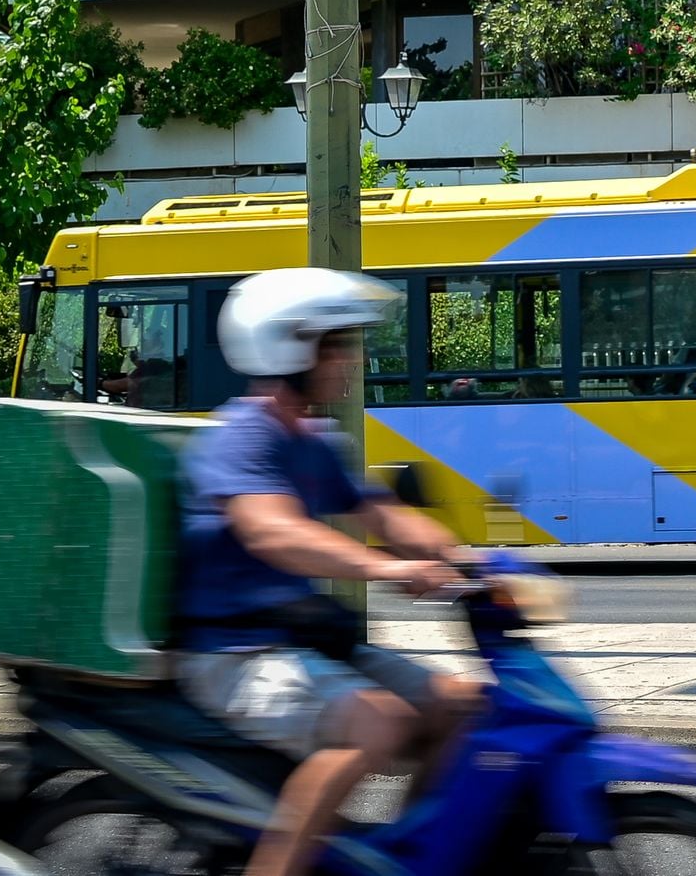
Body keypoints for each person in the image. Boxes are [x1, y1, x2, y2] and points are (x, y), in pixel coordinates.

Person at [172, 268, 482, 876]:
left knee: (464, 707)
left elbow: (383, 514)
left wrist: (470, 560)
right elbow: (273, 531)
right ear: (286, 346)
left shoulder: (315, 439)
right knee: (377, 724)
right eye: (335, 344)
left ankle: (410, 861)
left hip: (302, 639)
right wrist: (387, 570)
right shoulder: (242, 436)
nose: (349, 359)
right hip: (233, 651)